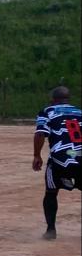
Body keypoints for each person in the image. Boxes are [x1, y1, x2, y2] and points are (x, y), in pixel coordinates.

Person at [33, 86, 81, 240]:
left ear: (53, 99)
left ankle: (51, 230)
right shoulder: (79, 112)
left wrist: (37, 155)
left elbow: (41, 133)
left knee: (51, 193)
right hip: (80, 155)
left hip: (61, 159)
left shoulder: (47, 111)